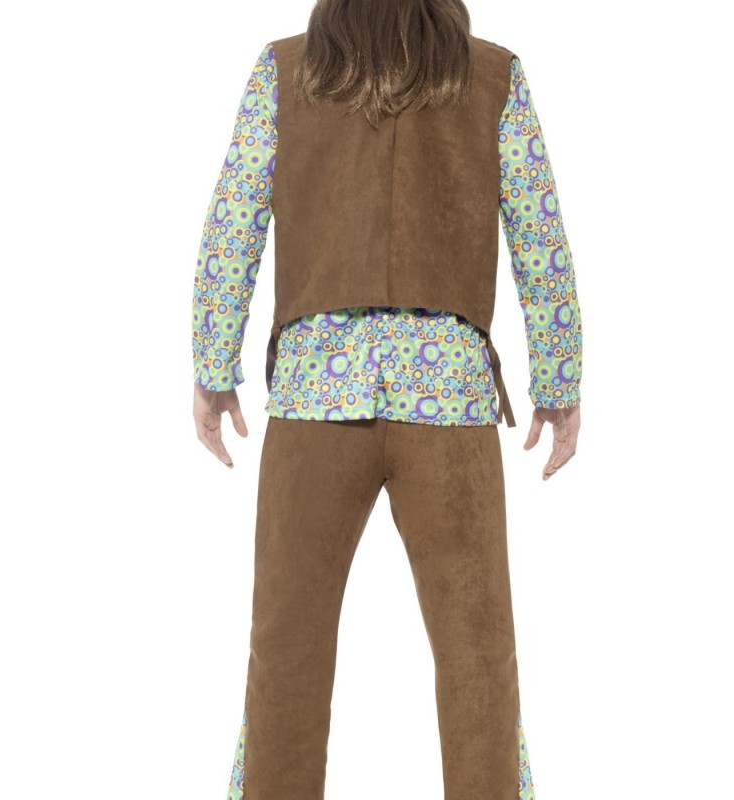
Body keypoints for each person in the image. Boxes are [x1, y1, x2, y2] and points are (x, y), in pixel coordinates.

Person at [192, 2, 582, 798]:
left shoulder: (284, 70)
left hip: (314, 399)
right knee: (479, 659)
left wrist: (212, 363)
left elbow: (232, 225)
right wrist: (559, 381)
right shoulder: (492, 77)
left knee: (285, 654)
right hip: (449, 407)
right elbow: (541, 242)